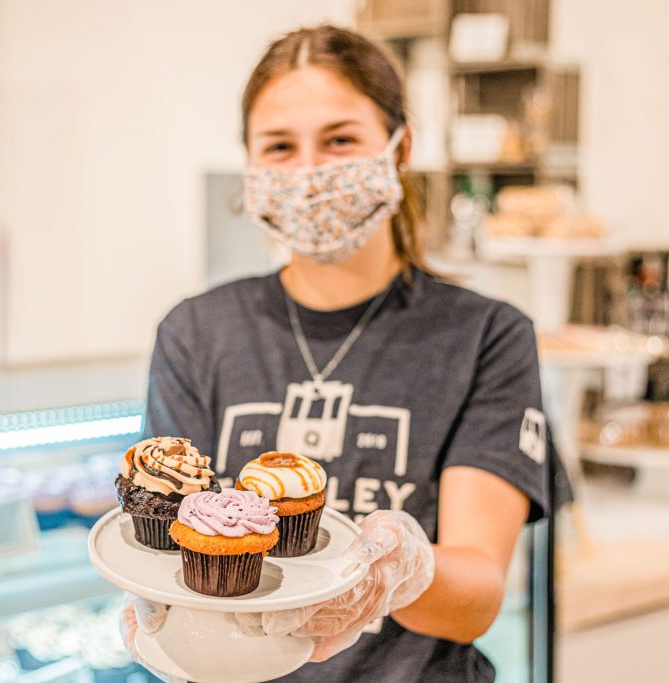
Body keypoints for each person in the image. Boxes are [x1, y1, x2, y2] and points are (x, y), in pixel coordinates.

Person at [124, 24, 552, 683]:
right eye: (279, 146)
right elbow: (168, 540)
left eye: (340, 140)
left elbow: (476, 601)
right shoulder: (196, 332)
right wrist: (160, 613)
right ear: (250, 165)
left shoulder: (486, 336)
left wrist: (402, 574)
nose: (309, 172)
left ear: (399, 149)